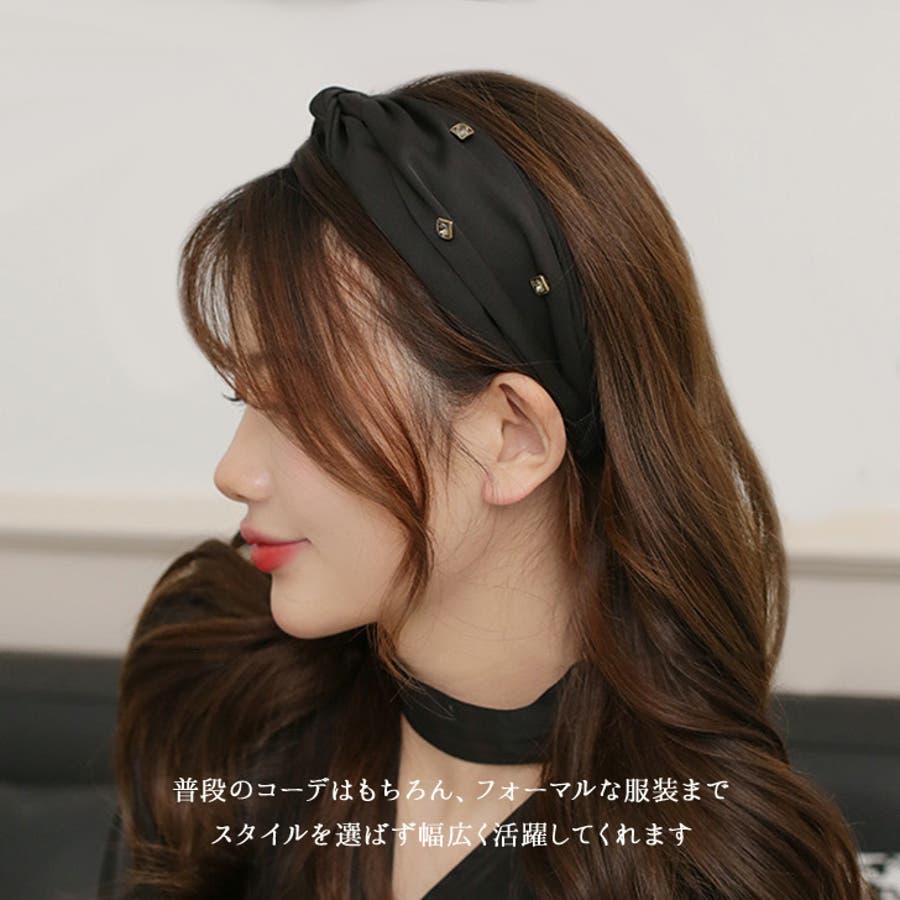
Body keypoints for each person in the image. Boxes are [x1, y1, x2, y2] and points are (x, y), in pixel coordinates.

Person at [96, 70, 877, 899]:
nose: (233, 471)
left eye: (296, 406)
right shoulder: (219, 693)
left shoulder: (691, 873)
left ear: (513, 439)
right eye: (244, 398)